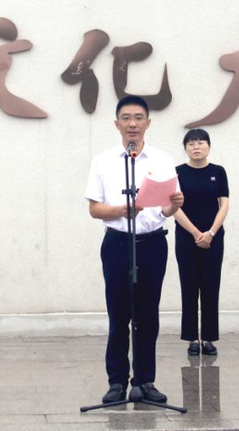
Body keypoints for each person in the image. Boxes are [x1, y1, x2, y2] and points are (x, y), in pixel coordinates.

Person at [85, 95, 183, 404]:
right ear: (116, 124)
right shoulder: (103, 161)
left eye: (139, 118)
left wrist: (173, 206)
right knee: (119, 315)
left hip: (152, 243)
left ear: (148, 123)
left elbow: (166, 208)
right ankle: (116, 382)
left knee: (148, 316)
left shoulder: (162, 160)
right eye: (126, 118)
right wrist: (120, 210)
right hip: (117, 244)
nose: (132, 124)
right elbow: (94, 209)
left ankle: (144, 381)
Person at [173, 128, 229, 357]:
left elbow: (224, 205)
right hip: (186, 237)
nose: (196, 147)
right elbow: (174, 208)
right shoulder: (177, 173)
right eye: (191, 143)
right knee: (189, 286)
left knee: (210, 286)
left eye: (201, 142)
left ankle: (208, 338)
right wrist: (197, 233)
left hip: (213, 238)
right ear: (185, 148)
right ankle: (191, 339)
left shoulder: (218, 171)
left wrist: (211, 233)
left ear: (209, 146)